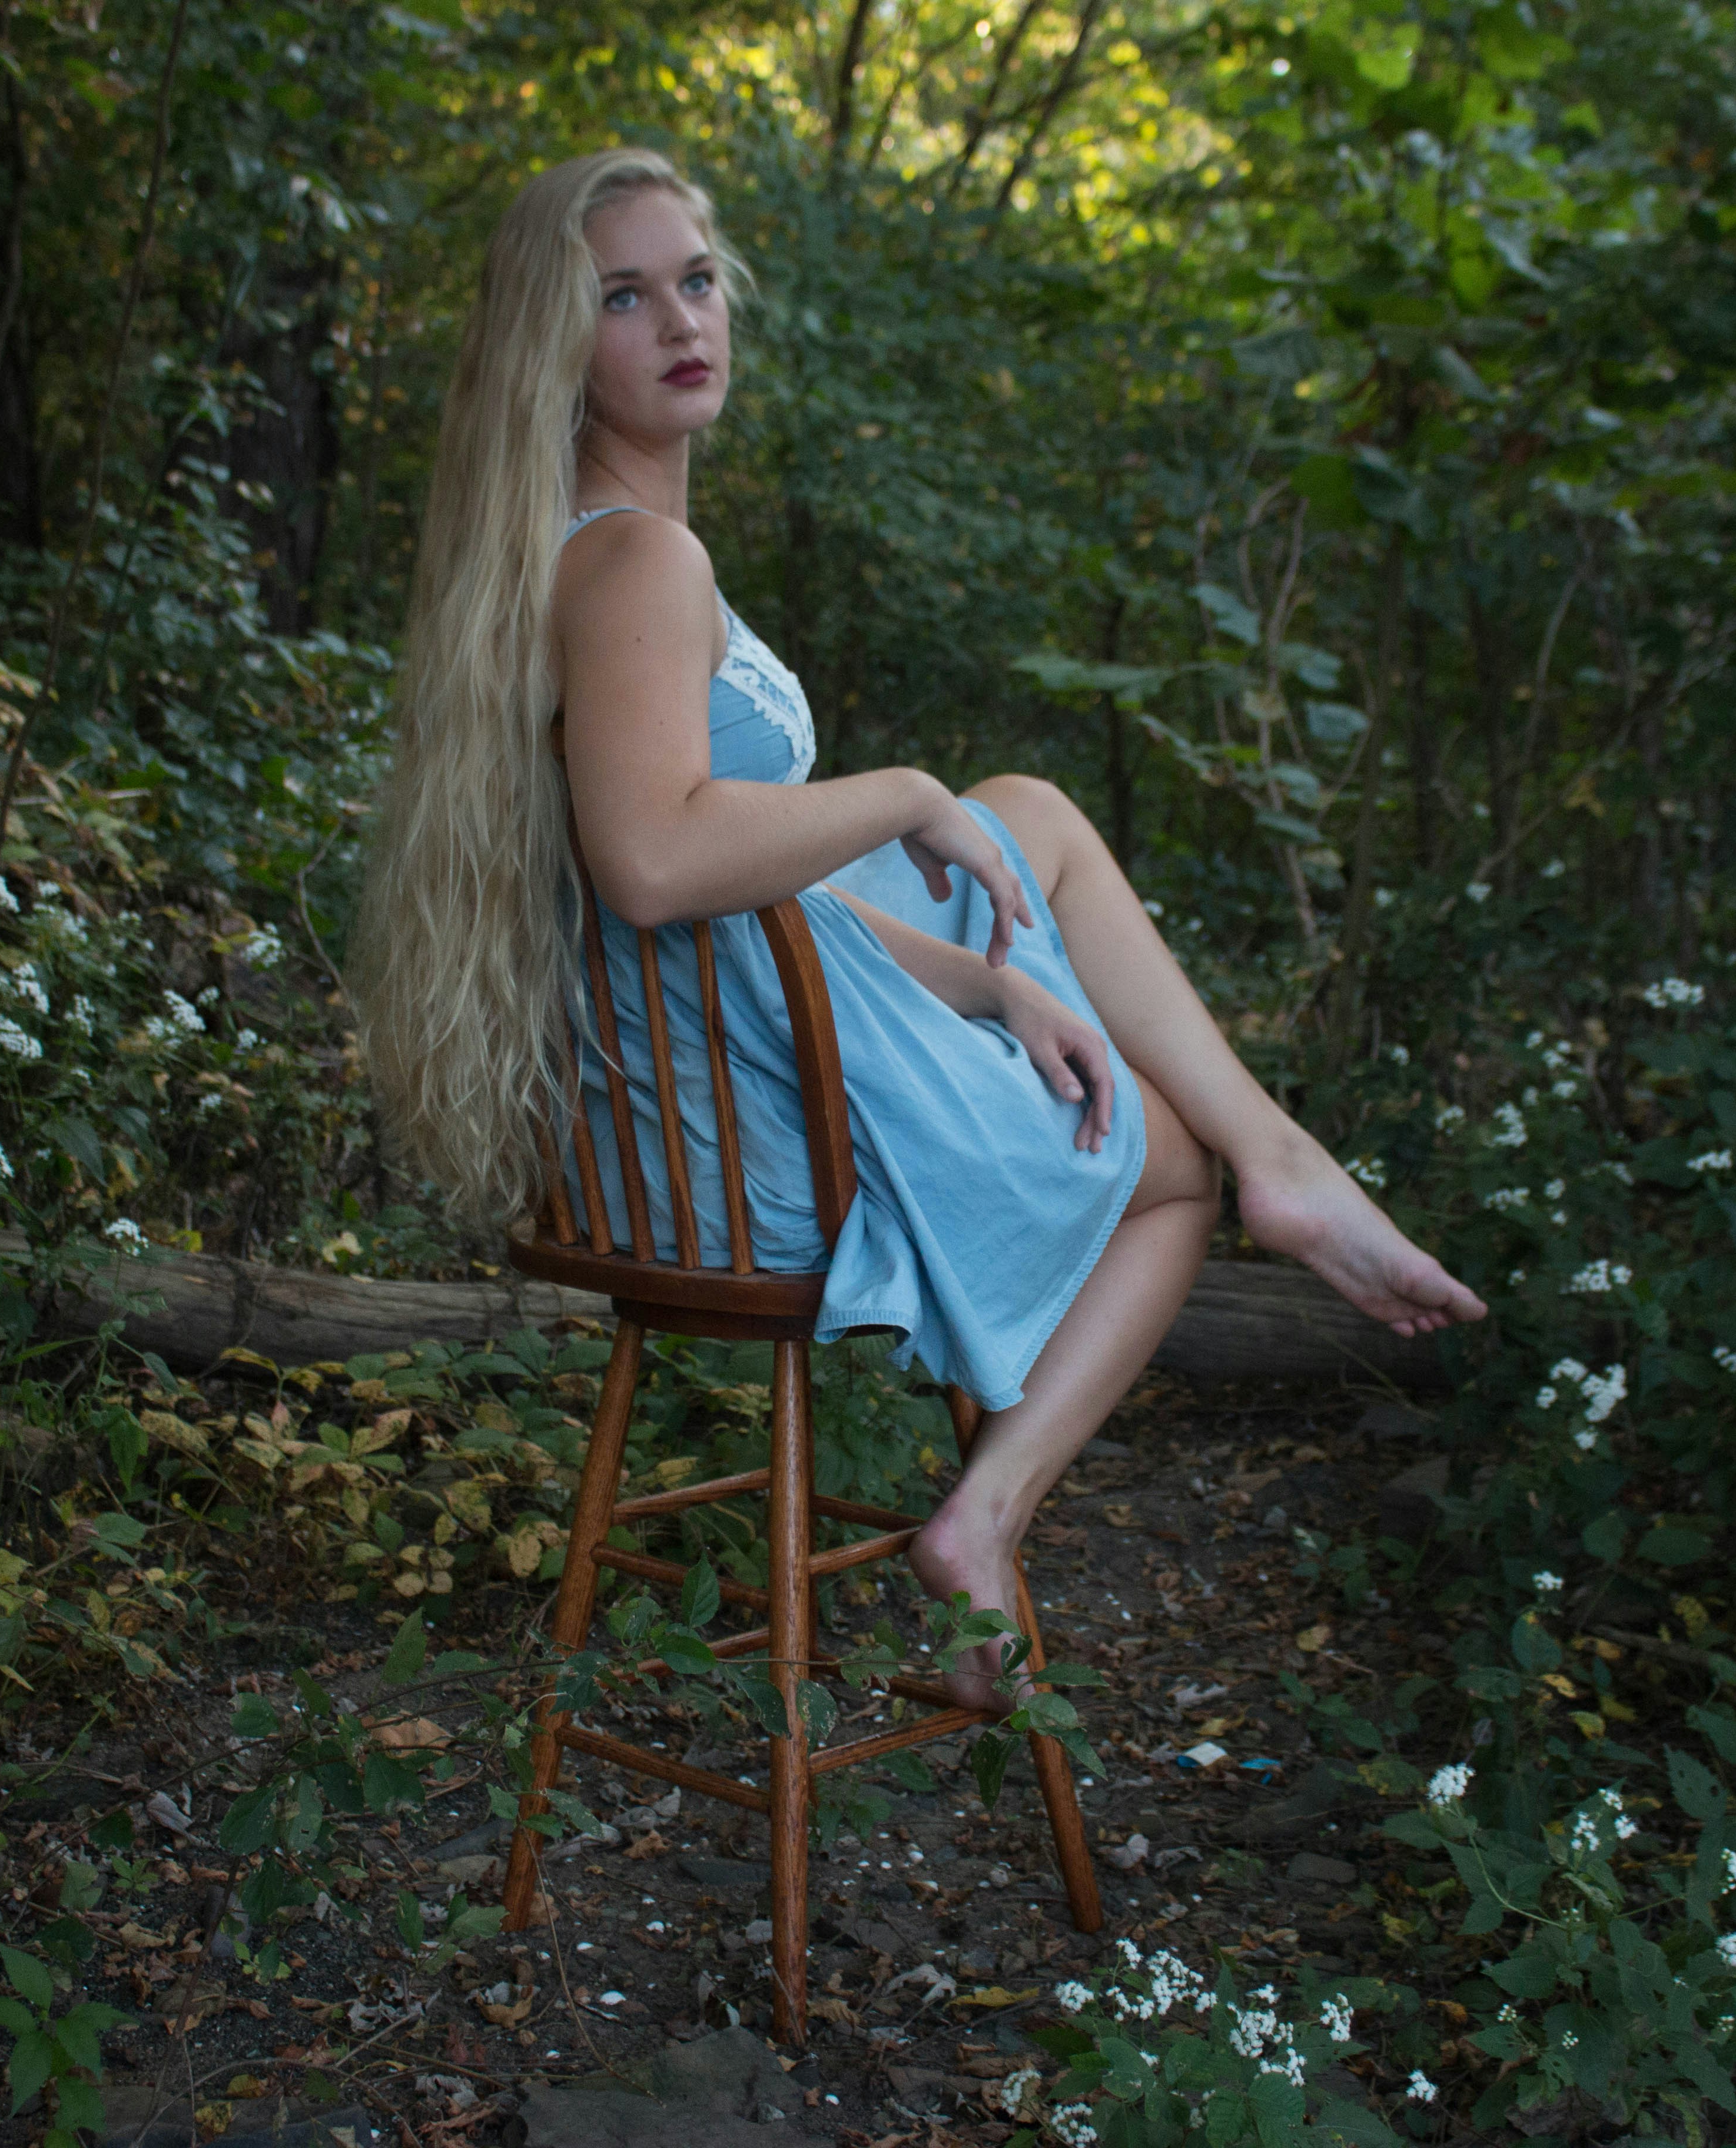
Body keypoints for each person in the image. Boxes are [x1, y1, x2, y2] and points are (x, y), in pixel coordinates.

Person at [353, 147, 1486, 1708]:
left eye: (698, 280)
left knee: (1031, 816)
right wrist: (900, 794)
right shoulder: (637, 561)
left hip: (697, 1095)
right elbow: (657, 868)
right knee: (1172, 1170)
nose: (682, 321)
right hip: (738, 1157)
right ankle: (989, 1513)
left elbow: (744, 908)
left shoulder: (575, 546)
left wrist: (980, 982)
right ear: (556, 340)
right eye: (623, 297)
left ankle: (1283, 1164)